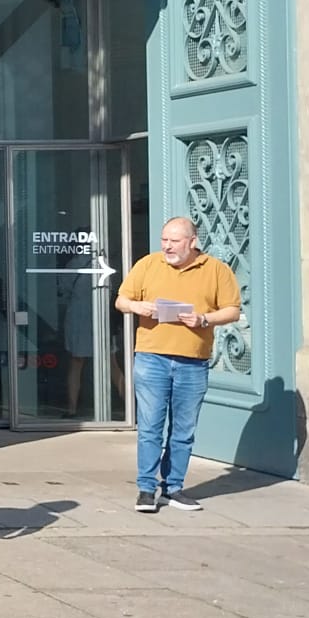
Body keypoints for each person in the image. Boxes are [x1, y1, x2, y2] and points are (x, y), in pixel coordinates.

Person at [115, 216, 242, 513]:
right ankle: (146, 489)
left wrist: (203, 319)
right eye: (164, 240)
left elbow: (233, 310)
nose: (167, 246)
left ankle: (173, 488)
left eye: (174, 241)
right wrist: (136, 306)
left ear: (192, 241)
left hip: (193, 361)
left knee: (184, 429)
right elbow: (121, 300)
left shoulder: (216, 270)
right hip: (152, 357)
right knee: (150, 426)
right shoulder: (148, 264)